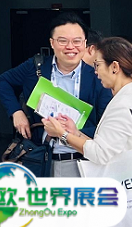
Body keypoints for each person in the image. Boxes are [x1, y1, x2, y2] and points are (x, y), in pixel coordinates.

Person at [0, 12, 112, 227]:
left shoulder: (97, 77)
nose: (70, 47)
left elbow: (104, 125)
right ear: (52, 43)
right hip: (43, 161)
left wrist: (74, 132)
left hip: (81, 163)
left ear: (85, 44)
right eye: (63, 40)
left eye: (77, 41)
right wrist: (16, 112)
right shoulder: (36, 67)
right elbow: (3, 81)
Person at [42, 37, 132, 165]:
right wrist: (75, 133)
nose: (95, 71)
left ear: (114, 67)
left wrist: (62, 134)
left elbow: (100, 154)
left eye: (97, 65)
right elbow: (104, 146)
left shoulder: (122, 105)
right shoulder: (125, 97)